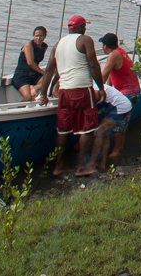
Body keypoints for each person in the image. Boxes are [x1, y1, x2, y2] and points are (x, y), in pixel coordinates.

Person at [33, 14, 105, 177]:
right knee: (86, 129)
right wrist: (101, 88)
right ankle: (81, 167)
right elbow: (93, 65)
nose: (85, 28)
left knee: (63, 131)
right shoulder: (85, 40)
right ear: (79, 28)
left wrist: (43, 94)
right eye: (84, 26)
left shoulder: (58, 44)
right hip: (81, 90)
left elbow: (50, 70)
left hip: (64, 92)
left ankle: (59, 166)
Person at [92, 82, 133, 171]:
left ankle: (91, 164)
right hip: (113, 106)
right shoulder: (91, 89)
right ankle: (102, 163)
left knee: (99, 132)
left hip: (120, 107)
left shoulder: (94, 93)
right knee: (105, 133)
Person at [10, 25, 49, 100]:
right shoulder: (29, 45)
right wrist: (43, 72)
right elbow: (30, 63)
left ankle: (35, 87)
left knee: (49, 79)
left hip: (34, 75)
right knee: (28, 97)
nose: (38, 38)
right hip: (22, 75)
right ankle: (19, 110)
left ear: (45, 36)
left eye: (41, 36)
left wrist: (45, 74)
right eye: (36, 36)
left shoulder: (44, 47)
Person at [100, 33, 141, 98]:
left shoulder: (113, 55)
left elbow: (103, 77)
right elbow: (109, 75)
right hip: (134, 91)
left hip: (128, 94)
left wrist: (96, 91)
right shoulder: (120, 51)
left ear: (105, 46)